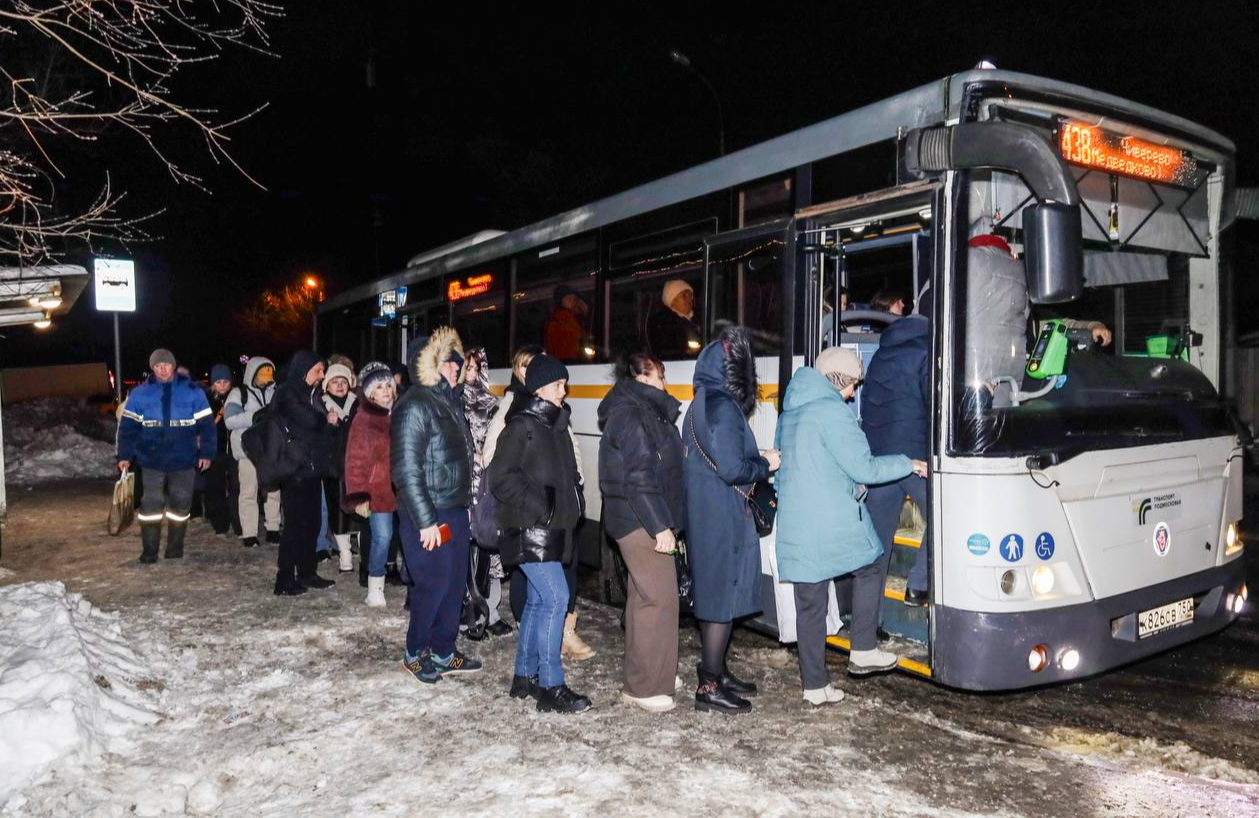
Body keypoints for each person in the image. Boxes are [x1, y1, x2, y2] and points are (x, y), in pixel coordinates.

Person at [775, 347, 928, 703]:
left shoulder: (791, 411)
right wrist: (909, 464)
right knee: (872, 564)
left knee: (810, 606)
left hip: (797, 524)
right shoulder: (833, 413)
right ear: (840, 380)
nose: (853, 393)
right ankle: (863, 648)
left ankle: (815, 686)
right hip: (829, 521)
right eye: (852, 385)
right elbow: (867, 469)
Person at [488, 354, 591, 713]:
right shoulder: (522, 425)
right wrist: (540, 507)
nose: (565, 390)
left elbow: (568, 474)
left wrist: (573, 496)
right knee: (556, 599)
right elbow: (499, 477)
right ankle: (550, 685)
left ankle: (524, 677)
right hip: (528, 529)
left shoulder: (555, 424)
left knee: (537, 601)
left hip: (552, 530)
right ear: (539, 388)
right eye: (559, 384)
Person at [683, 326, 776, 714]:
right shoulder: (721, 405)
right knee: (720, 598)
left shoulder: (703, 401)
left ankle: (717, 671)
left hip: (709, 511)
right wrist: (765, 463)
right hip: (720, 514)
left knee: (719, 594)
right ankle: (708, 687)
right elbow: (732, 467)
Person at [391, 327, 482, 683]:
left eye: (458, 362)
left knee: (455, 581)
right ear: (428, 364)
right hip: (427, 511)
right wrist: (426, 520)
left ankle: (443, 650)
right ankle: (415, 652)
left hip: (454, 508)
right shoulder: (414, 404)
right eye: (450, 362)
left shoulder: (448, 401)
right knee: (432, 583)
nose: (457, 367)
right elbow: (406, 468)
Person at [598, 351, 685, 713]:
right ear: (642, 379)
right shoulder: (633, 415)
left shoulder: (641, 411)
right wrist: (659, 526)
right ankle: (643, 686)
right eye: (661, 377)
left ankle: (655, 672)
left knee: (643, 597)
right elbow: (639, 479)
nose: (665, 384)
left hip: (639, 516)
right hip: (639, 520)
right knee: (659, 598)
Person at [862, 299, 932, 607]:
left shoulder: (880, 354)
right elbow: (934, 404)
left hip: (882, 462)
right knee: (947, 516)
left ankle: (869, 624)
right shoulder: (928, 351)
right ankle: (919, 585)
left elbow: (868, 407)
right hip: (915, 459)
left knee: (878, 542)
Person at [116, 348, 216, 563]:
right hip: (151, 460)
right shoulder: (140, 394)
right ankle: (149, 550)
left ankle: (175, 547)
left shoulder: (192, 391)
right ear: (152, 368)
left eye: (166, 365)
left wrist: (206, 452)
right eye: (157, 366)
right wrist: (124, 455)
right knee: (151, 505)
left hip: (184, 459)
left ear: (173, 365)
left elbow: (207, 426)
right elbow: (128, 427)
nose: (162, 369)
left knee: (181, 504)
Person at [272, 350, 339, 596]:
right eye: (318, 371)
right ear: (304, 370)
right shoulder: (287, 393)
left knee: (312, 524)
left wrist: (327, 425)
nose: (321, 376)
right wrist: (326, 421)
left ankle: (307, 572)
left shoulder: (313, 395)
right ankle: (285, 578)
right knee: (295, 526)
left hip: (312, 469)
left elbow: (325, 431)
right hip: (295, 470)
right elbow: (309, 423)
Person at [460, 347, 509, 636]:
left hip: (489, 484)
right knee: (469, 552)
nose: (471, 372)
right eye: (466, 367)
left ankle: (491, 611)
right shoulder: (453, 402)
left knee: (491, 548)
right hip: (466, 485)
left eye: (475, 367)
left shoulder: (493, 403)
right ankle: (470, 612)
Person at [343, 361, 397, 607]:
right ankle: (375, 586)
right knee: (382, 537)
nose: (386, 390)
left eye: (389, 385)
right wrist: (359, 494)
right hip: (379, 491)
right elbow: (355, 459)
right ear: (369, 392)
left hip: (402, 489)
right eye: (380, 387)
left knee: (402, 538)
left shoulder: (398, 414)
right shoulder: (363, 419)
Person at [224, 356, 281, 548]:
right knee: (249, 492)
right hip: (247, 450)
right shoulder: (238, 393)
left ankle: (273, 528)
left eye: (269, 371)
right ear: (252, 373)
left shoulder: (277, 392)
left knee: (273, 491)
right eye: (263, 372)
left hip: (271, 450)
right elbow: (230, 420)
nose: (267, 376)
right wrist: (255, 416)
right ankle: (249, 533)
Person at [321, 362, 359, 571]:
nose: (339, 385)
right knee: (338, 511)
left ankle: (363, 551)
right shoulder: (321, 404)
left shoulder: (358, 403)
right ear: (327, 385)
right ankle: (344, 553)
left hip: (357, 466)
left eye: (343, 381)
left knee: (360, 509)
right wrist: (330, 426)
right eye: (334, 382)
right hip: (335, 469)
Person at [200, 364, 237, 536]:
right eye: (218, 382)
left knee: (236, 487)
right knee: (216, 487)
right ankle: (220, 523)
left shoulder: (235, 398)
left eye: (225, 381)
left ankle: (236, 522)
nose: (222, 385)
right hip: (216, 449)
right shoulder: (206, 400)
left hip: (234, 450)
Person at [648, 279, 701, 359]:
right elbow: (665, 352)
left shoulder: (698, 319)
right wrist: (688, 352)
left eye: (691, 295)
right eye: (684, 296)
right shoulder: (662, 323)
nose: (689, 300)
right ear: (672, 299)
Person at [543, 284, 588, 361]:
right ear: (560, 301)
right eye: (569, 298)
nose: (573, 302)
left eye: (575, 299)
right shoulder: (561, 318)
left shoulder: (575, 318)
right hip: (567, 361)